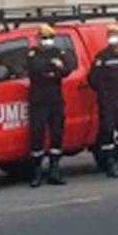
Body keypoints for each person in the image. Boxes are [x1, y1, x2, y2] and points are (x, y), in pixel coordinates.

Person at [26, 25, 74, 187]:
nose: (47, 41)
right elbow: (35, 67)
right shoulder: (33, 53)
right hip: (38, 102)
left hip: (56, 101)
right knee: (37, 136)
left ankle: (54, 171)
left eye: (49, 38)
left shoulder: (58, 52)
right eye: (43, 37)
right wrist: (54, 66)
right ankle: (36, 173)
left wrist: (54, 70)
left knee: (57, 135)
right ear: (38, 38)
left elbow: (67, 68)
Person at [88, 26, 118, 178]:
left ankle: (115, 155)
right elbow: (93, 79)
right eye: (111, 35)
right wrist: (104, 91)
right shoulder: (102, 57)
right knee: (107, 130)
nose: (113, 38)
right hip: (108, 99)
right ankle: (109, 163)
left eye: (116, 35)